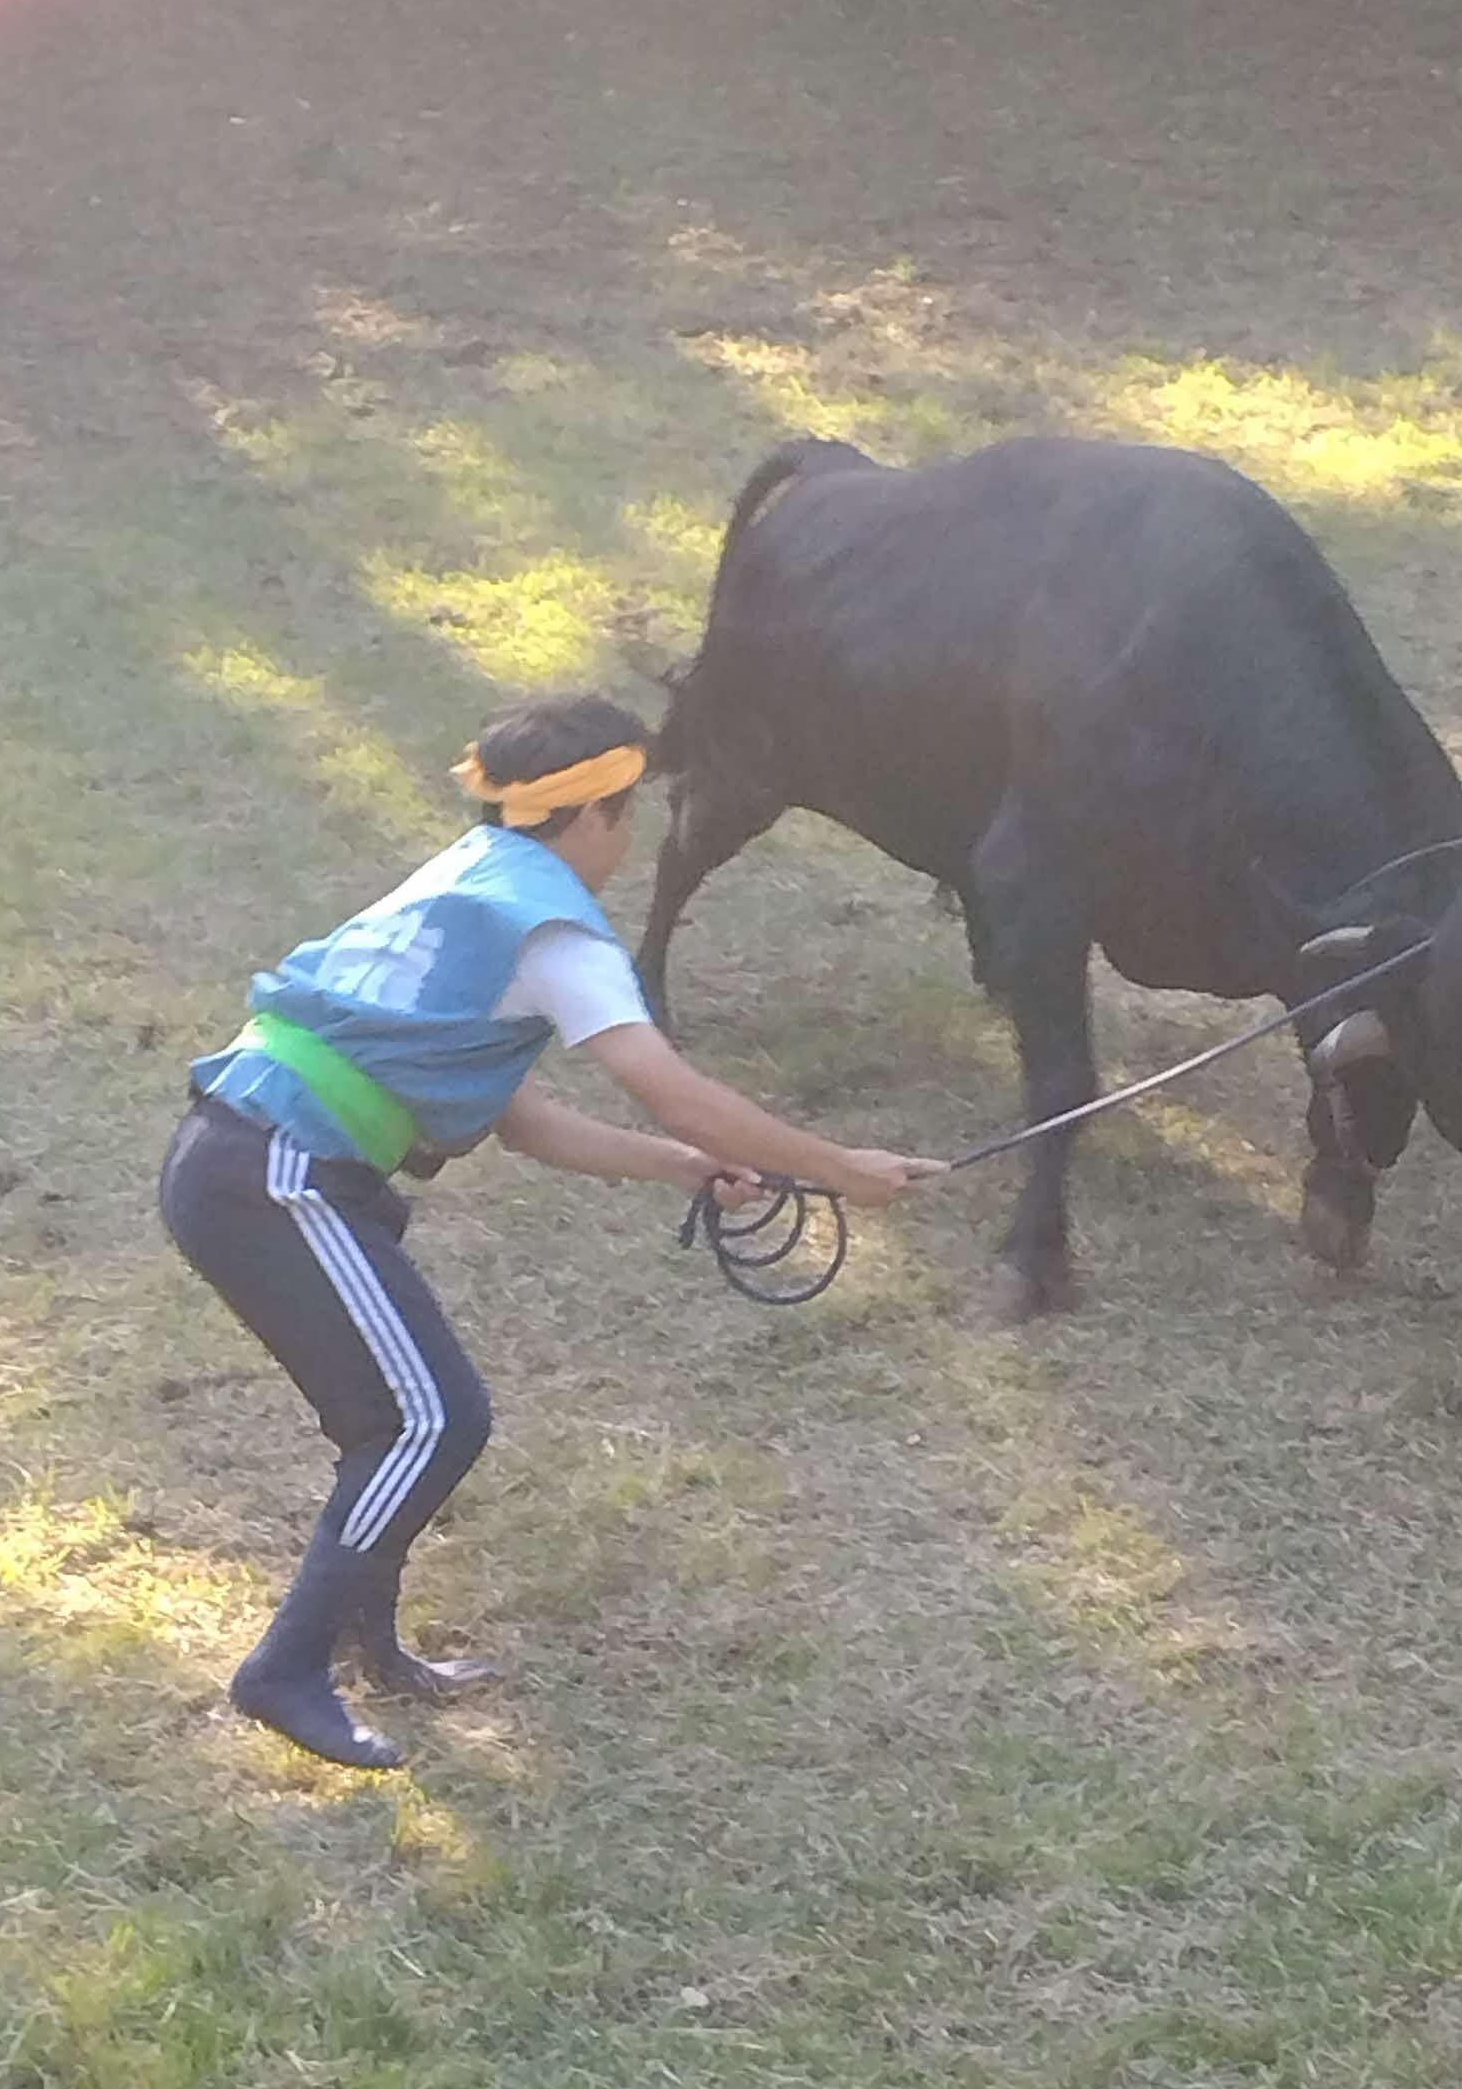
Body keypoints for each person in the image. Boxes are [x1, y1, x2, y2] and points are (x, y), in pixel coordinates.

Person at [159, 695, 941, 1772]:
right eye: (632, 813)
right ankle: (284, 1668)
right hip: (280, 1172)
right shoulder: (555, 926)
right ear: (596, 818)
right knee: (433, 1422)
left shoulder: (473, 878)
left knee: (385, 1420)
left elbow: (514, 1118)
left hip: (241, 1154)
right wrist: (841, 1167)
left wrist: (682, 1166)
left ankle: (365, 1641)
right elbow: (671, 1087)